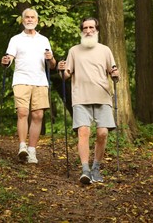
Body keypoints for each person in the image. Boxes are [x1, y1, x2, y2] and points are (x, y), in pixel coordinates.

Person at [58, 17, 119, 184]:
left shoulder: (105, 50)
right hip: (80, 97)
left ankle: (96, 168)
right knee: (83, 132)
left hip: (102, 96)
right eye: (85, 28)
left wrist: (115, 75)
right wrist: (61, 70)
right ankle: (85, 170)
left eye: (91, 27)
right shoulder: (74, 51)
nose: (88, 30)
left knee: (103, 133)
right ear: (81, 30)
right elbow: (66, 75)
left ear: (97, 30)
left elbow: (113, 72)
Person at [1, 8, 56, 164]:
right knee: (23, 112)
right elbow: (9, 57)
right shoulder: (15, 39)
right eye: (27, 17)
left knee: (38, 116)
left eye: (33, 17)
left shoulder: (44, 40)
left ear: (37, 21)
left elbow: (52, 65)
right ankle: (22, 147)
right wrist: (6, 61)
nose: (30, 20)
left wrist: (51, 58)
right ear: (22, 20)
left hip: (40, 81)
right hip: (21, 79)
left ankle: (31, 151)